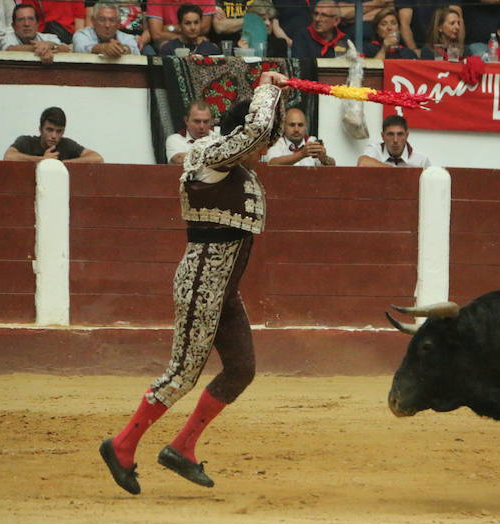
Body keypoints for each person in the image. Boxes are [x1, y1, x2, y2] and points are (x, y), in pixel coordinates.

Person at [98, 70, 289, 494]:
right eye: (262, 144)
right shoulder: (210, 156)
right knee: (183, 373)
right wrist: (267, 88)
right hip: (202, 285)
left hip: (222, 292)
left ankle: (182, 446)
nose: (263, 151)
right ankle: (123, 444)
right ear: (244, 136)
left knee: (241, 369)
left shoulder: (235, 168)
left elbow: (257, 131)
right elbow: (255, 126)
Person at [4, 106, 104, 163]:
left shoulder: (67, 145)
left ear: (63, 132)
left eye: (59, 131)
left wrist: (64, 163)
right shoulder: (26, 142)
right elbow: (9, 157)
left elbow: (97, 159)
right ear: (40, 129)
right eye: (50, 130)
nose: (54, 136)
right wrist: (42, 160)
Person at [1, 4, 71, 63]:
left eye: (31, 19)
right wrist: (39, 48)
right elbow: (9, 49)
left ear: (37, 24)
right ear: (14, 26)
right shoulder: (7, 38)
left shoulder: (50, 38)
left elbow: (64, 49)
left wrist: (50, 45)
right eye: (21, 20)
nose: (26, 24)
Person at [265, 107, 335, 166]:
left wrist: (324, 158)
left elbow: (332, 167)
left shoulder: (311, 141)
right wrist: (301, 154)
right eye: (292, 125)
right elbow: (272, 163)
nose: (296, 129)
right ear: (283, 126)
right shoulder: (278, 142)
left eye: (300, 125)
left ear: (306, 126)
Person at [358, 114, 431, 168]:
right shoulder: (375, 150)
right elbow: (362, 163)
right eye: (390, 134)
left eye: (400, 134)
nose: (395, 140)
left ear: (407, 136)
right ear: (383, 136)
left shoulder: (421, 160)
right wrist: (393, 172)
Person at [73, 2, 139, 55]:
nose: (107, 25)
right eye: (102, 20)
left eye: (112, 20)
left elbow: (134, 49)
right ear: (93, 21)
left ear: (118, 23)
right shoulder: (82, 35)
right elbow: (80, 48)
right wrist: (103, 48)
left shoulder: (128, 38)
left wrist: (122, 49)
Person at [165, 100, 217, 164]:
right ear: (186, 120)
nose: (202, 126)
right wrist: (215, 156)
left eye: (206, 122)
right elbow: (179, 160)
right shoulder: (175, 139)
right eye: (197, 121)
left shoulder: (218, 139)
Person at [146, 0, 213, 49]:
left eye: (195, 23)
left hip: (198, 41)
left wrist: (166, 28)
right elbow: (156, 34)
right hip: (166, 44)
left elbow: (204, 28)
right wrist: (181, 38)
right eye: (187, 23)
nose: (193, 27)